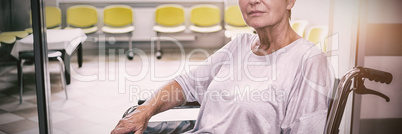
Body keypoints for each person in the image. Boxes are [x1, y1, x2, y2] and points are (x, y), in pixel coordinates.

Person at [112, 0, 334, 133]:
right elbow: (186, 84)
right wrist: (145, 110)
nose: (253, 0)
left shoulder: (310, 61)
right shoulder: (240, 45)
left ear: (290, 0)